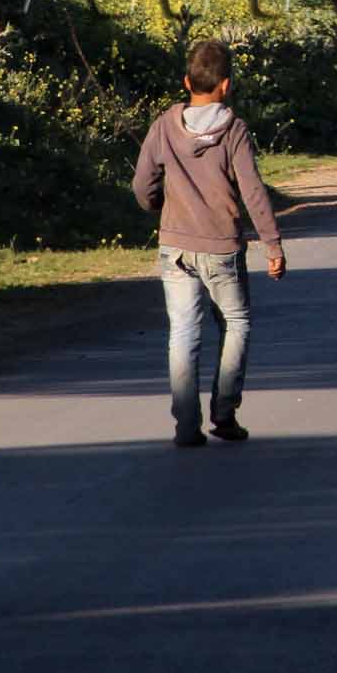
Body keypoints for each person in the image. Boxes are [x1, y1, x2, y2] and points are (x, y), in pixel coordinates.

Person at [133, 38, 286, 448]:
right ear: (226, 85)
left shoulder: (164, 126)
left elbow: (143, 185)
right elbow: (253, 192)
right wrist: (272, 244)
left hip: (175, 246)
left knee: (183, 331)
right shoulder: (234, 130)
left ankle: (186, 425)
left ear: (187, 82)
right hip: (221, 247)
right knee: (236, 322)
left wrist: (158, 204)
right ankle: (224, 413)